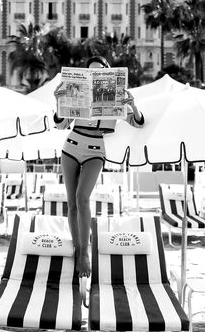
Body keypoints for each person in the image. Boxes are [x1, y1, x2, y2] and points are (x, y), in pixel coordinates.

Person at [53, 56, 144, 277]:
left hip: (96, 151)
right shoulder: (79, 92)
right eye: (91, 71)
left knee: (83, 197)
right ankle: (77, 250)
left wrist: (132, 104)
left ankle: (85, 253)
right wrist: (59, 102)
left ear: (107, 71)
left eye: (99, 70)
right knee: (72, 204)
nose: (95, 74)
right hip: (71, 147)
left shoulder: (117, 96)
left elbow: (138, 122)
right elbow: (60, 124)